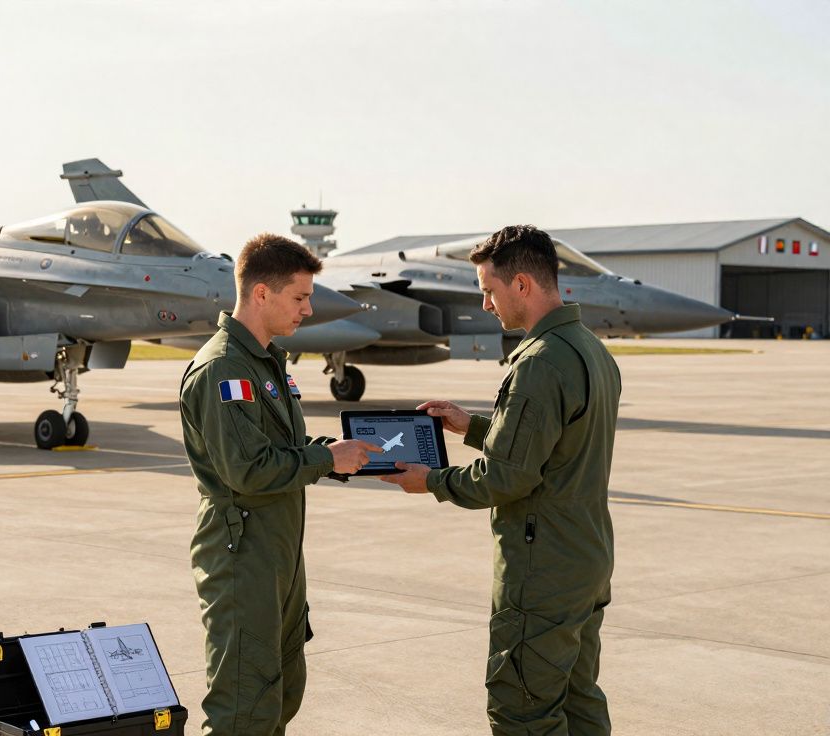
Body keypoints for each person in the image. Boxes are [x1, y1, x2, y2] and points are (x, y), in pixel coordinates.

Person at [383, 225, 622, 735]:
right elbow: (553, 448)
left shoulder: (540, 362)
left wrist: (432, 480)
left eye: (488, 290)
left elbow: (506, 478)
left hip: (543, 571)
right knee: (579, 702)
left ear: (521, 285)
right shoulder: (591, 351)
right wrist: (472, 427)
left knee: (523, 711)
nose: (485, 304)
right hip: (585, 559)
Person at [179, 233, 379, 735]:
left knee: (281, 695)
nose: (308, 310)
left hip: (279, 553)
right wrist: (322, 458)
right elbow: (247, 470)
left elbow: (282, 446)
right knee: (243, 708)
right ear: (261, 294)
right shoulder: (223, 367)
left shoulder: (267, 363)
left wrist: (338, 454)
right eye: (300, 297)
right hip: (242, 556)